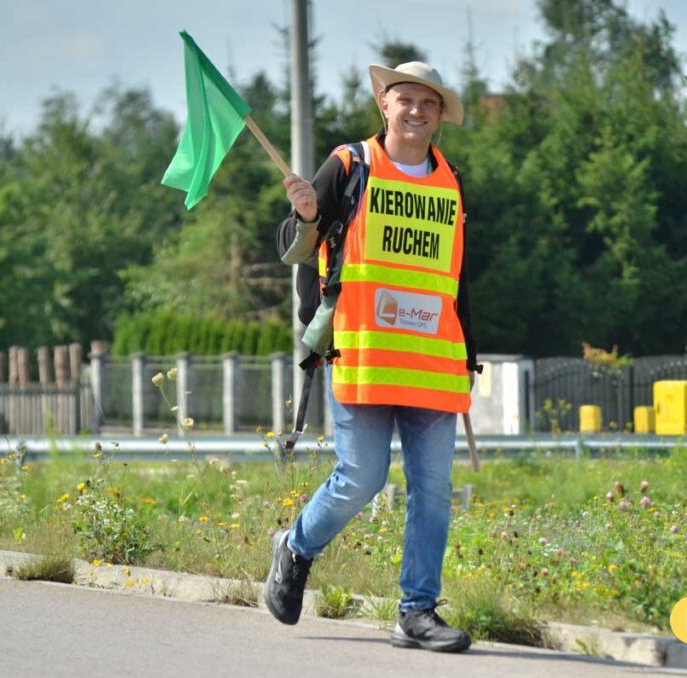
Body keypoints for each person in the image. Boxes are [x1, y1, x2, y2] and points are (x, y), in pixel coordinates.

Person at [265, 61, 479, 654]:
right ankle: (295, 546)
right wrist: (309, 216)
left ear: (439, 117)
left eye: (428, 104)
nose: (416, 111)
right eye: (405, 99)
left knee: (432, 489)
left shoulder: (450, 181)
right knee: (361, 477)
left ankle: (417, 612)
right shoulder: (351, 164)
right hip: (363, 351)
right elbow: (294, 248)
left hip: (433, 359)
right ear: (384, 104)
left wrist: (468, 354)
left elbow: (457, 280)